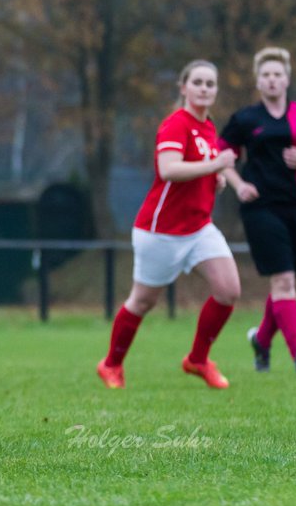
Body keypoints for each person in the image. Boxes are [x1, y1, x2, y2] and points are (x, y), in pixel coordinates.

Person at [97, 60, 241, 390]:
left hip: (199, 228)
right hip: (161, 232)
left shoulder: (208, 126)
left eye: (211, 83)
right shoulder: (177, 123)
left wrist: (214, 177)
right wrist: (215, 164)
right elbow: (169, 168)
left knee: (228, 290)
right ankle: (111, 364)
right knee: (143, 301)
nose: (205, 88)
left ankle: (198, 360)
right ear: (184, 87)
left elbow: (200, 168)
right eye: (198, 82)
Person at [220, 46, 296, 373]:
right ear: (258, 82)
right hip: (261, 208)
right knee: (284, 280)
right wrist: (238, 184)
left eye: (277, 75)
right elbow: (222, 157)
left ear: (287, 79)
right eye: (266, 75)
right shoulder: (245, 119)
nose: (272, 80)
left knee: (291, 286)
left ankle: (261, 339)